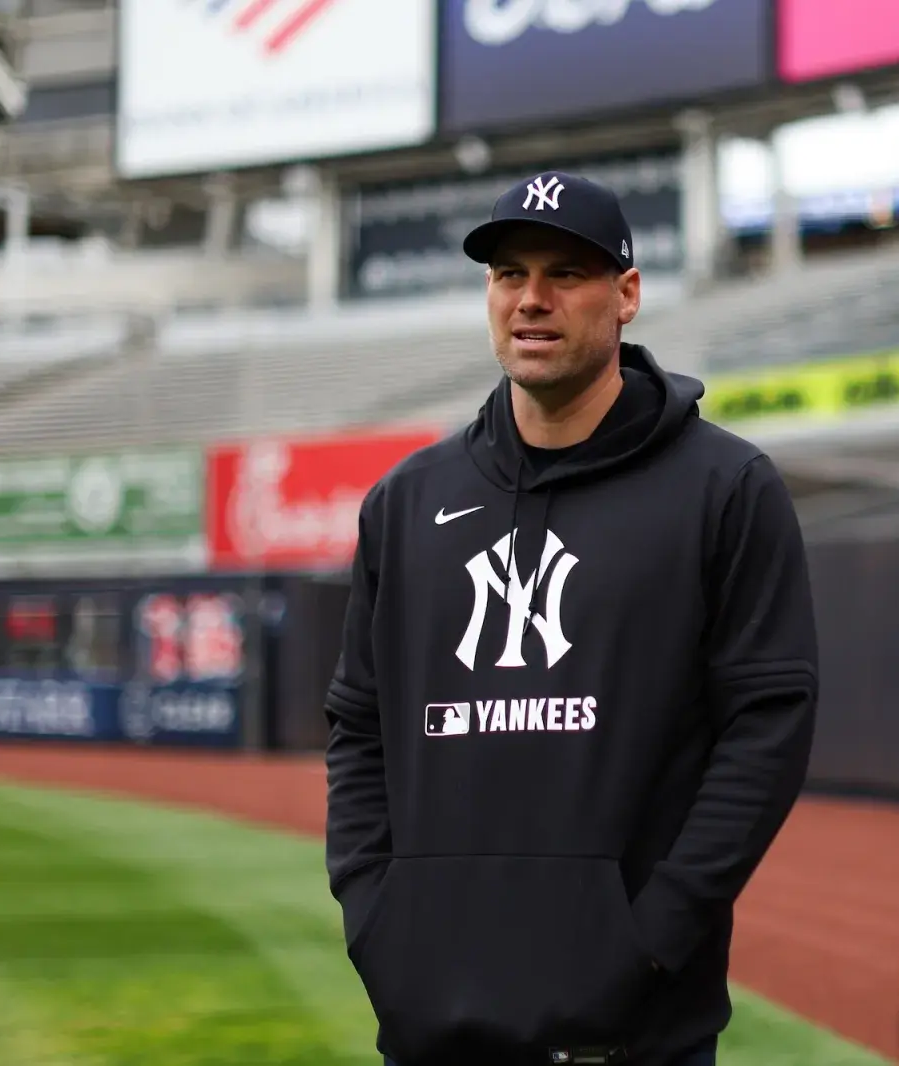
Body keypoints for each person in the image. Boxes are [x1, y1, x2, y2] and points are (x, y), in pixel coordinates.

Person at [323, 170, 820, 1066]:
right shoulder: (406, 502)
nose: (532, 299)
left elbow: (767, 730)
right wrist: (375, 916)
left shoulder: (725, 488)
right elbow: (360, 726)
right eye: (509, 274)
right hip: (432, 1031)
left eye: (566, 273)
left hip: (635, 1037)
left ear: (626, 294)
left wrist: (652, 938)